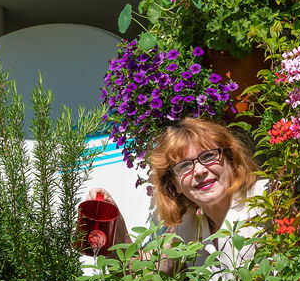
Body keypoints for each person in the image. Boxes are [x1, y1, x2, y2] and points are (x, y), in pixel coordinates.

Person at [101, 116, 265, 271]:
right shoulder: (186, 228)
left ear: (231, 160)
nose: (199, 171)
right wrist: (113, 224)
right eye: (184, 166)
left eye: (209, 156)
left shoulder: (264, 200)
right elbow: (139, 275)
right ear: (175, 184)